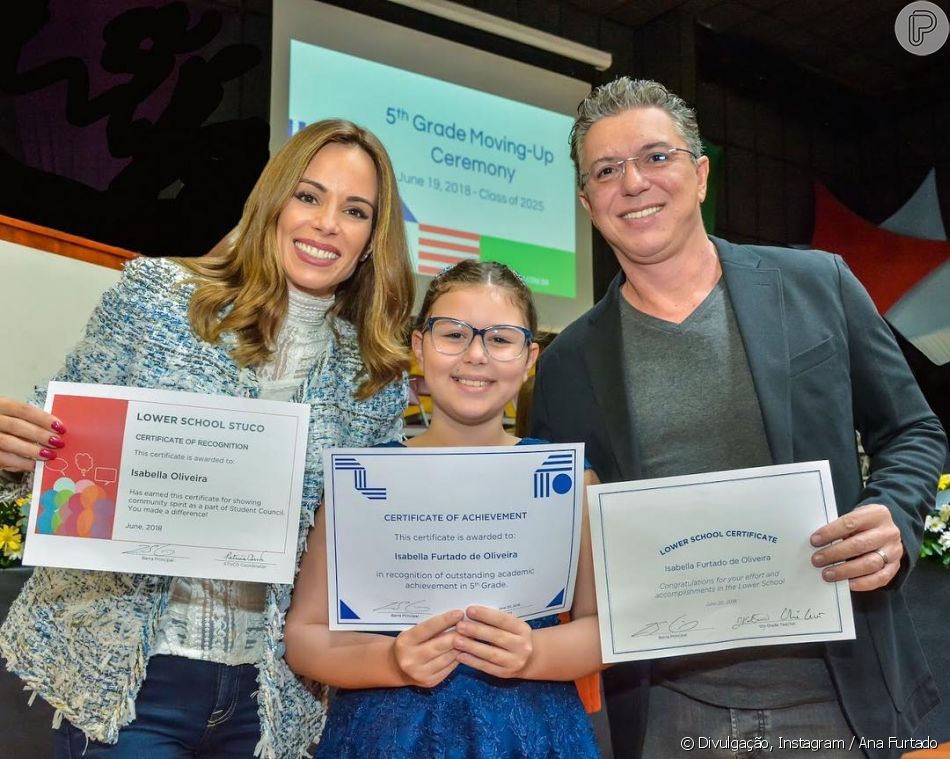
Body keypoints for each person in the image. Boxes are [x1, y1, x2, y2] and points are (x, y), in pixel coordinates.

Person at [529, 77, 948, 758]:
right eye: (606, 170)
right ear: (587, 201)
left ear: (699, 175)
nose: (633, 182)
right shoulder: (567, 363)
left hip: (838, 696)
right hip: (665, 710)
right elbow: (558, 537)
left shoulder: (819, 285)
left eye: (656, 157)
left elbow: (912, 430)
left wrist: (895, 517)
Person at [0, 118, 414, 758]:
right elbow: (60, 444)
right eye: (308, 196)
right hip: (130, 677)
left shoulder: (373, 376)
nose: (327, 222)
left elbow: (363, 546)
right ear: (272, 203)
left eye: (354, 210)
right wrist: (15, 451)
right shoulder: (157, 299)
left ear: (370, 242)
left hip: (273, 693)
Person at [284, 260, 603, 759]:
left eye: (500, 339)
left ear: (529, 357)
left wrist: (535, 652)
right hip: (384, 735)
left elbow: (604, 628)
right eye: (452, 334)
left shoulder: (568, 480)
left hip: (529, 734)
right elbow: (304, 637)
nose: (475, 355)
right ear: (418, 346)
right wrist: (391, 659)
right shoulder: (363, 480)